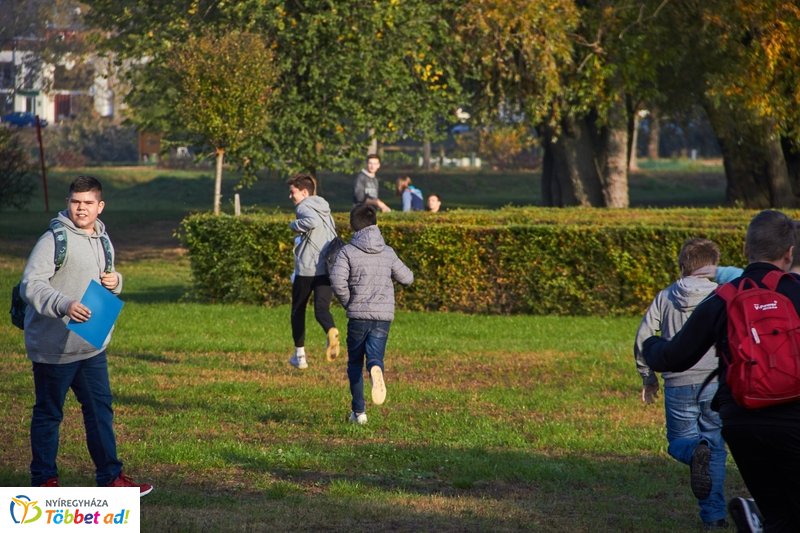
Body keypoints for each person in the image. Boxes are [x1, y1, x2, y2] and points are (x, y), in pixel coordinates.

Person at [643, 210, 800, 532]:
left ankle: (757, 519)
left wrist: (651, 346)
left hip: (741, 421)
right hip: (794, 418)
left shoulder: (724, 297)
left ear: (745, 250)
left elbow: (675, 356)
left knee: (778, 511)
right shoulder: (795, 291)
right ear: (789, 252)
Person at [20, 175, 152, 495]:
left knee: (99, 411)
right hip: (54, 348)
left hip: (91, 346)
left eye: (88, 203)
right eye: (76, 202)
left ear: (100, 206)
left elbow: (106, 279)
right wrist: (64, 304)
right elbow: (31, 284)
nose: (81, 208)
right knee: (50, 414)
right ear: (68, 203)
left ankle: (110, 478)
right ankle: (44, 481)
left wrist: (115, 281)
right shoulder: (53, 240)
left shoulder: (104, 240)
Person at [633, 238, 729, 529]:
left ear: (681, 265)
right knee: (715, 447)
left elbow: (644, 338)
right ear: (714, 266)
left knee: (678, 442)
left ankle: (692, 452)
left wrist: (648, 377)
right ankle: (714, 516)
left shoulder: (665, 297)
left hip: (678, 384)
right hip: (715, 382)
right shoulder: (723, 295)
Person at [329, 203, 413, 425]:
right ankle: (376, 367)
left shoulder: (348, 251)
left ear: (353, 226)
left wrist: (349, 302)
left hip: (358, 316)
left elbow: (337, 282)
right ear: (376, 223)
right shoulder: (388, 252)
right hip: (383, 317)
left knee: (355, 362)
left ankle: (359, 412)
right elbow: (407, 278)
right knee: (374, 356)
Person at [287, 173, 340, 369]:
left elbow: (311, 223)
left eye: (292, 192)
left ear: (304, 192)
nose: (290, 196)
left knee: (298, 310)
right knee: (321, 310)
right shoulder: (325, 208)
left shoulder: (303, 207)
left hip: (307, 269)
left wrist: (294, 225)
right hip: (327, 268)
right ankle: (331, 329)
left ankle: (299, 356)